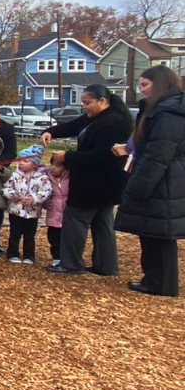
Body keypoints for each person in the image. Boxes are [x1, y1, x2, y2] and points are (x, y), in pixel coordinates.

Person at [42, 84, 134, 276]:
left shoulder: (113, 124)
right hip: (106, 185)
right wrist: (52, 131)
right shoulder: (98, 118)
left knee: (75, 220)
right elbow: (75, 125)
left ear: (102, 101)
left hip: (95, 183)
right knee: (102, 223)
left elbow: (102, 156)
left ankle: (71, 263)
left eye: (87, 102)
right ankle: (106, 265)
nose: (84, 106)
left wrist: (68, 157)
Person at [113, 65, 185, 296]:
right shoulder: (165, 111)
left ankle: (160, 282)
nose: (141, 90)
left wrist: (138, 187)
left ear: (160, 84)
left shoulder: (167, 114)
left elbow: (158, 154)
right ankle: (157, 279)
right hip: (164, 177)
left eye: (145, 85)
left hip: (163, 180)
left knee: (159, 232)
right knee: (154, 231)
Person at [2, 145, 52, 264]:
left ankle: (29, 256)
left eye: (25, 160)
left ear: (35, 164)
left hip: (33, 212)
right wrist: (14, 195)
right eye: (20, 160)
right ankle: (13, 253)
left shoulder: (43, 178)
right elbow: (6, 188)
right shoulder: (15, 176)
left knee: (29, 236)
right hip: (16, 210)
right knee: (15, 234)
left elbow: (46, 191)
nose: (21, 163)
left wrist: (34, 199)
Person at [43, 154, 69, 267]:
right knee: (54, 237)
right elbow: (44, 192)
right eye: (52, 164)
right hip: (53, 214)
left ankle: (67, 257)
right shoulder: (47, 178)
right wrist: (45, 202)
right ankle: (57, 257)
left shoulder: (69, 179)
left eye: (58, 165)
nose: (53, 168)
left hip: (67, 215)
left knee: (67, 237)